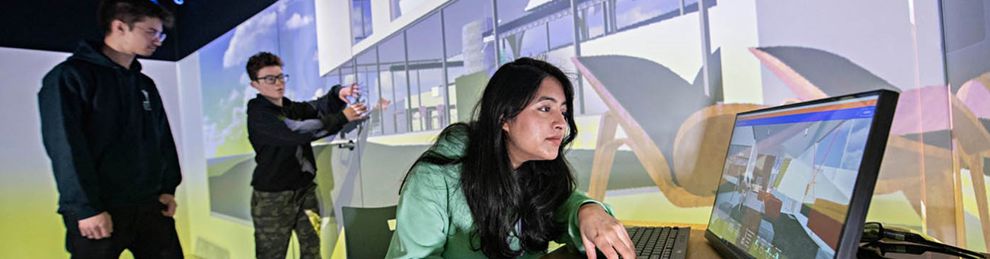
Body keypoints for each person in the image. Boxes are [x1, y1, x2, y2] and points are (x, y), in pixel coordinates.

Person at [385, 58, 635, 259]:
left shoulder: (537, 169)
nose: (561, 123)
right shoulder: (435, 177)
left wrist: (587, 210)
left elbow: (563, 204)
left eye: (563, 111)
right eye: (545, 108)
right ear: (504, 117)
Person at [38, 0, 182, 258]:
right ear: (119, 27)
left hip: (150, 204)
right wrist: (86, 208)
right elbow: (65, 147)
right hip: (98, 209)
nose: (159, 40)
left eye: (161, 33)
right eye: (151, 31)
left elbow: (162, 139)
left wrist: (168, 187)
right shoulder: (69, 77)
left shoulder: (144, 84)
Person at [245, 52, 366, 259]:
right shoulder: (259, 115)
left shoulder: (290, 107)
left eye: (281, 77)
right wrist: (342, 117)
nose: (278, 83)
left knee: (312, 252)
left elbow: (316, 107)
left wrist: (338, 93)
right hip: (272, 199)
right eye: (270, 79)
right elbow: (296, 131)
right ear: (255, 85)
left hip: (305, 193)